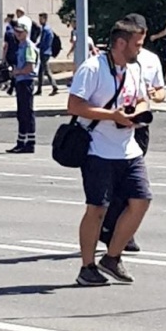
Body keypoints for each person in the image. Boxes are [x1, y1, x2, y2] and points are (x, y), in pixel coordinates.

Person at [67, 16, 153, 286]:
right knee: (97, 209)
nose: (140, 49)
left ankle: (112, 258)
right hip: (97, 149)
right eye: (137, 44)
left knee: (142, 200)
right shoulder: (93, 68)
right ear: (120, 43)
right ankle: (87, 267)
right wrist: (110, 115)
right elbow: (74, 105)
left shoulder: (135, 68)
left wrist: (137, 112)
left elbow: (142, 98)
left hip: (128, 148)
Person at [100, 13, 165, 254]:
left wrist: (152, 96)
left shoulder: (149, 59)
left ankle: (123, 234)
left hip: (140, 125)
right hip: (111, 128)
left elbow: (159, 91)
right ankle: (113, 231)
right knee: (119, 185)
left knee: (135, 188)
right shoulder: (111, 60)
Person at [6, 18, 39, 154]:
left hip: (26, 81)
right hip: (21, 82)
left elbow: (29, 67)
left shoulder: (28, 47)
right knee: (22, 113)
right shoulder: (21, 46)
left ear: (26, 32)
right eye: (16, 32)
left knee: (26, 113)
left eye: (20, 32)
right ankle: (21, 142)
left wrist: (16, 72)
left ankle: (29, 143)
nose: (17, 34)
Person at [35, 13, 59, 96]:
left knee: (46, 71)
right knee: (41, 71)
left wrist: (36, 45)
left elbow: (43, 41)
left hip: (44, 52)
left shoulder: (45, 29)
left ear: (45, 19)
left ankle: (54, 86)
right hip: (46, 51)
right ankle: (39, 89)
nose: (40, 21)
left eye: (41, 19)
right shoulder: (48, 29)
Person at [1, 17, 19, 94]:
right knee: (16, 70)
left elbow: (6, 46)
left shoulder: (8, 33)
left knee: (11, 71)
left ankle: (12, 86)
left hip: (10, 54)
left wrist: (3, 57)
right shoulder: (18, 32)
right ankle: (13, 86)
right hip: (18, 54)